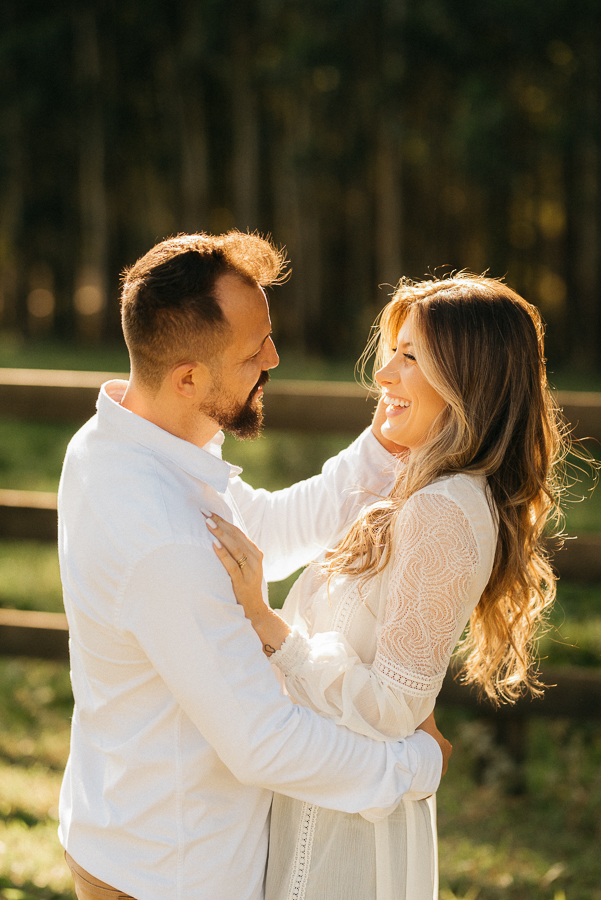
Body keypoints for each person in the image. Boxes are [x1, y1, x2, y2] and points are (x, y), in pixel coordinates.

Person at [57, 231, 451, 900]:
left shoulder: (121, 440)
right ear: (189, 378)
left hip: (124, 829)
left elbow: (258, 532)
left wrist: (382, 448)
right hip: (169, 873)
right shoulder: (162, 537)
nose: (273, 357)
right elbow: (264, 742)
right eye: (253, 351)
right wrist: (413, 766)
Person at [207, 273, 566, 900]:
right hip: (330, 801)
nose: (383, 374)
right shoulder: (426, 493)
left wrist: (270, 627)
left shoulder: (442, 510)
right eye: (391, 352)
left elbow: (394, 708)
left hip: (350, 833)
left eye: (410, 357)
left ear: (467, 381)